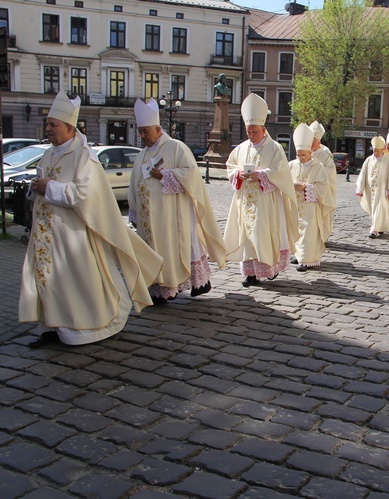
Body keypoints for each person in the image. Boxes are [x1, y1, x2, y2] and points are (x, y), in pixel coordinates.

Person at [19, 91, 163, 347]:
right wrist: (36, 187)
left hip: (73, 236)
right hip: (46, 235)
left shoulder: (84, 156)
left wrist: (49, 187)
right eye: (48, 124)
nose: (48, 128)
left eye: (53, 124)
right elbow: (43, 185)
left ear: (69, 127)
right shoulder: (49, 153)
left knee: (73, 284)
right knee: (48, 279)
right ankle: (51, 327)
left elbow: (87, 195)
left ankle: (82, 328)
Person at [128, 98, 226, 304]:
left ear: (157, 128)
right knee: (153, 250)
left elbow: (192, 175)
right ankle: (158, 289)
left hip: (173, 214)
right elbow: (133, 185)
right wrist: (135, 212)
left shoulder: (175, 147)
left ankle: (196, 283)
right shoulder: (141, 155)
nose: (143, 136)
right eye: (140, 132)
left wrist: (165, 175)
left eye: (146, 131)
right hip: (149, 219)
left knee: (179, 248)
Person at [223, 93, 299, 286]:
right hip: (245, 202)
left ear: (263, 129)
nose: (251, 135)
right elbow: (230, 166)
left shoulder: (274, 148)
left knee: (261, 235)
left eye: (254, 131)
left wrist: (262, 175)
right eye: (248, 131)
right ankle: (250, 274)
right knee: (247, 236)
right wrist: (238, 174)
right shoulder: (241, 148)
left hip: (266, 203)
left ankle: (269, 268)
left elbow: (280, 172)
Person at [289, 124, 335, 271]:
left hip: (310, 205)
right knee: (297, 229)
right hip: (296, 204)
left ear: (310, 154)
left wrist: (306, 187)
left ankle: (307, 260)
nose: (301, 158)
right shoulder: (292, 165)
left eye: (304, 155)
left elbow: (323, 185)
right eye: (298, 154)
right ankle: (299, 255)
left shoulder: (318, 166)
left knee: (308, 231)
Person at [356, 136, 389, 238]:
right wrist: (360, 188)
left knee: (379, 208)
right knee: (374, 209)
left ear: (382, 150)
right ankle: (380, 227)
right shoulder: (368, 160)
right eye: (374, 150)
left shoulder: (387, 161)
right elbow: (363, 173)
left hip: (382, 189)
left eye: (378, 151)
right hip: (370, 189)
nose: (376, 153)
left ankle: (374, 229)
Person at [310, 121, 337, 241]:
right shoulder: (304, 151)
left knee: (320, 216)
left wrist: (317, 175)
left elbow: (330, 171)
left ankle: (321, 237)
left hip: (322, 190)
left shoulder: (325, 153)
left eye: (313, 140)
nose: (310, 143)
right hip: (307, 190)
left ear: (318, 141)